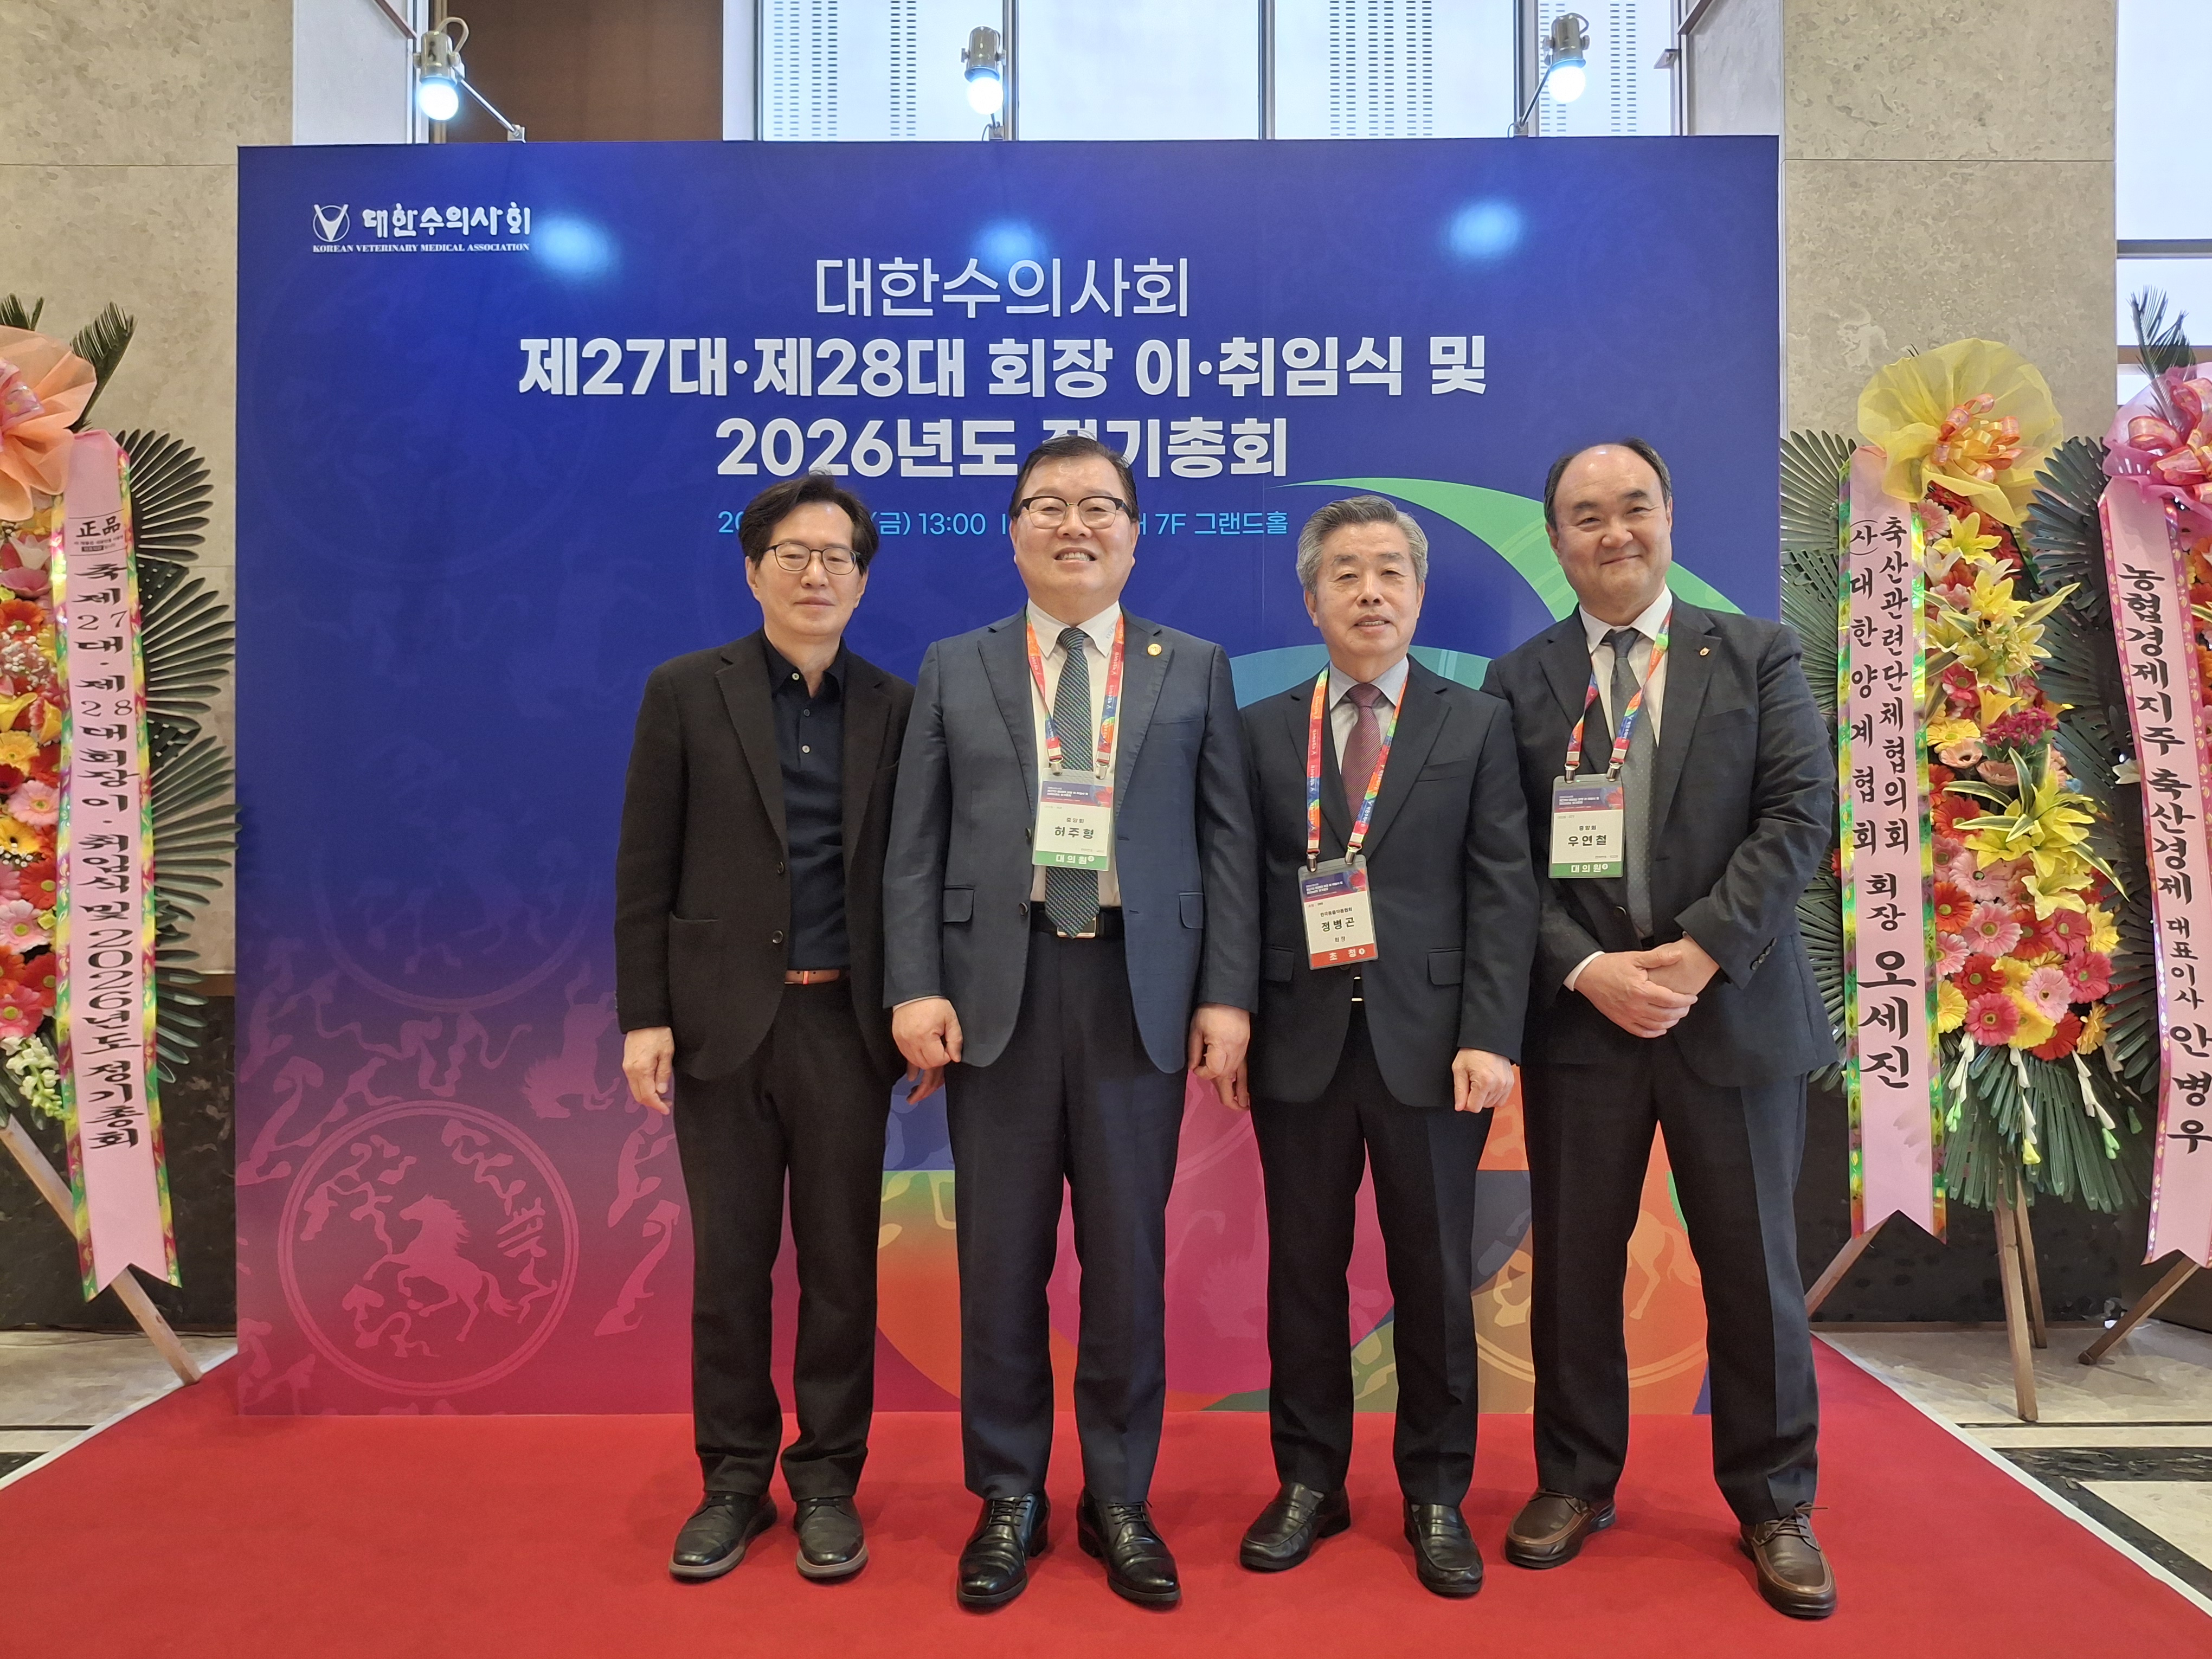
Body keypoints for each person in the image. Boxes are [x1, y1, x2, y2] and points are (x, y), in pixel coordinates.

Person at [884, 433, 1259, 1610]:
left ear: (1136, 534)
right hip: (993, 995)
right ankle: (1008, 1494)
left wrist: (1227, 994)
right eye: (1047, 505)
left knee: (1127, 1261)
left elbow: (1228, 845)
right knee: (999, 1262)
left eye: (1100, 505)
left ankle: (1118, 1495)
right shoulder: (956, 665)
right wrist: (913, 985)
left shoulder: (1194, 667)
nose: (1074, 525)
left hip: (1136, 995)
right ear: (1013, 533)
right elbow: (913, 844)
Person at [1481, 440, 1838, 1619]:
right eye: (1585, 515)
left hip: (1730, 1008)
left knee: (1753, 1265)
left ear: (1670, 516)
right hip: (1585, 1021)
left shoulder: (1756, 652)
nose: (1613, 533)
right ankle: (1576, 1480)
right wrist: (1588, 970)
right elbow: (1500, 862)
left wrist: (1696, 953)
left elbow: (1799, 813)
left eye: (1633, 507)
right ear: (1557, 538)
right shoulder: (1519, 680)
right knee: (1575, 1264)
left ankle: (1776, 1501)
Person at [614, 475, 918, 1585]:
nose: (815, 573)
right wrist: (644, 1015)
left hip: (846, 1026)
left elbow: (916, 876)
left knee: (841, 1272)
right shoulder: (686, 692)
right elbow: (644, 865)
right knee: (731, 1269)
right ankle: (734, 1481)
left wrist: (916, 1006)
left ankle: (829, 1480)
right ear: (753, 571)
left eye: (838, 557)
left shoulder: (898, 706)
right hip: (720, 1028)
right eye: (793, 554)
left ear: (863, 579)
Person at [1234, 497, 1535, 1597]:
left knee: (1436, 1278)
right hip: (1298, 1046)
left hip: (1434, 1048)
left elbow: (1503, 890)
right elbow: (1235, 890)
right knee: (1302, 1276)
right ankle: (1308, 1482)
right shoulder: (1260, 728)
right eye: (1347, 574)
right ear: (1312, 599)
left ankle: (1436, 1493)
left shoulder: (1478, 723)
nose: (1370, 592)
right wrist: (1231, 1015)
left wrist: (1490, 1034)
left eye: (1390, 572)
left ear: (1419, 591)